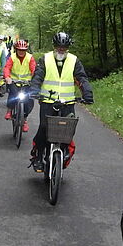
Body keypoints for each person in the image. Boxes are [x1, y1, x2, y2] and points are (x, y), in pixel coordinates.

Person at [27, 31, 93, 171]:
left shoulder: (74, 60)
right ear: (54, 46)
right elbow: (38, 76)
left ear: (68, 48)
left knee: (67, 130)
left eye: (64, 47)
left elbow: (81, 78)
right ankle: (38, 156)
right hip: (47, 102)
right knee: (44, 128)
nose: (61, 49)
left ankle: (65, 151)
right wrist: (34, 90)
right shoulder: (45, 59)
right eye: (58, 47)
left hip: (67, 103)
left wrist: (87, 94)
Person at [3, 39, 36, 130]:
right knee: (13, 93)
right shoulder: (12, 57)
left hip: (27, 83)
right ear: (16, 49)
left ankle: (24, 120)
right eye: (19, 50)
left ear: (26, 50)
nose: (21, 52)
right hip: (14, 82)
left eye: (23, 50)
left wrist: (34, 79)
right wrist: (7, 77)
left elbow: (34, 69)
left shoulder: (30, 58)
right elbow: (7, 68)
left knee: (29, 101)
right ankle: (9, 110)